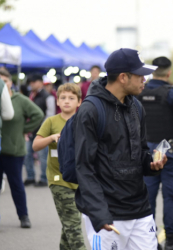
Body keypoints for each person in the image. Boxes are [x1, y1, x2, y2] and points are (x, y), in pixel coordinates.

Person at [74, 48, 167, 250]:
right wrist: (99, 213)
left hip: (140, 208)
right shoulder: (91, 110)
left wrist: (152, 163)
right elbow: (83, 166)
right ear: (123, 77)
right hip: (107, 212)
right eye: (140, 75)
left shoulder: (137, 107)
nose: (145, 79)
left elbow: (141, 152)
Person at [138, 56, 173, 250]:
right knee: (170, 196)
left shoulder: (139, 91)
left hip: (145, 152)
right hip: (169, 152)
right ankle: (170, 240)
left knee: (148, 197)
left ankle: (149, 241)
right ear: (169, 72)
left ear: (152, 71)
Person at [32, 83, 86, 250]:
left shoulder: (84, 122)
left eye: (71, 98)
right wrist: (52, 138)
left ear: (79, 102)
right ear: (57, 102)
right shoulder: (51, 121)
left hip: (80, 180)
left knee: (69, 223)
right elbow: (35, 145)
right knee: (73, 226)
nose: (66, 101)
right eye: (63, 98)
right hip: (58, 180)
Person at [0, 68, 44, 228]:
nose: (2, 85)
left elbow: (38, 114)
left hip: (14, 150)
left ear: (10, 83)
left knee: (16, 184)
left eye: (5, 81)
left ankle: (23, 216)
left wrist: (24, 129)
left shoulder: (20, 100)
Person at [24, 74, 56, 187]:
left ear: (40, 82)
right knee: (27, 154)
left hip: (43, 132)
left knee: (43, 156)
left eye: (33, 82)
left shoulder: (48, 96)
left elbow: (50, 115)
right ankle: (30, 177)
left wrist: (43, 130)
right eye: (30, 83)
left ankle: (43, 178)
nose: (31, 84)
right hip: (30, 131)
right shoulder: (31, 95)